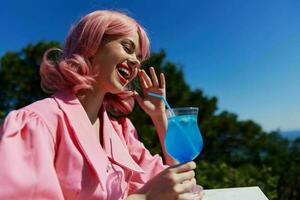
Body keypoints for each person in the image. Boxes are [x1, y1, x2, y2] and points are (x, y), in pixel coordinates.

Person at [0, 10, 204, 200]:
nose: (134, 62)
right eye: (127, 48)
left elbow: (174, 182)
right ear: (91, 45)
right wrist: (143, 198)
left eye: (139, 59)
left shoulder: (121, 133)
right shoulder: (38, 122)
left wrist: (159, 117)